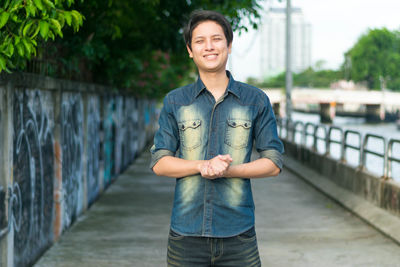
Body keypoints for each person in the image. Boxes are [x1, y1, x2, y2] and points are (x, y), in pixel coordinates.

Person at [150, 9, 284, 267]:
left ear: (229, 45)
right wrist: (202, 166)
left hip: (239, 234)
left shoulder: (255, 100)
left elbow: (273, 162)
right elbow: (160, 162)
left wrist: (228, 171)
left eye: (217, 39)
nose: (209, 47)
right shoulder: (175, 101)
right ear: (190, 50)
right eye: (200, 41)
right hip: (185, 235)